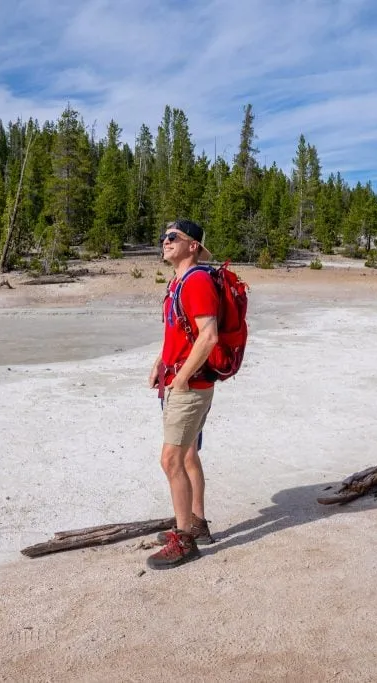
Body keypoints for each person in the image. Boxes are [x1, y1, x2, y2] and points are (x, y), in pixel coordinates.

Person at [146, 219, 219, 570]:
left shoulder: (198, 281)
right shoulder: (178, 283)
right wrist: (161, 362)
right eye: (164, 237)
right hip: (179, 380)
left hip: (189, 386)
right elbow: (179, 332)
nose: (165, 241)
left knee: (170, 460)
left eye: (173, 237)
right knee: (188, 455)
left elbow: (209, 336)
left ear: (193, 246)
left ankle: (184, 539)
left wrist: (182, 378)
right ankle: (196, 522)